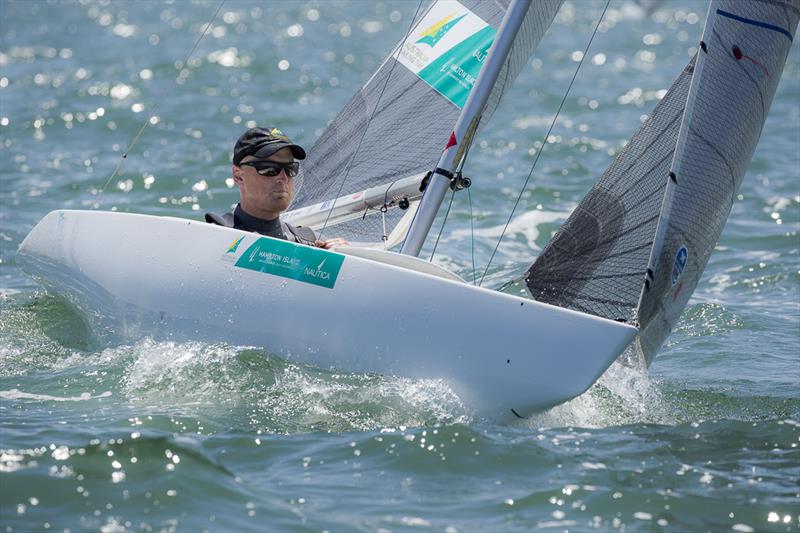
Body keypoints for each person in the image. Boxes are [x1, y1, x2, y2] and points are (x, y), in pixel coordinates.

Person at [205, 126, 346, 249]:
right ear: (239, 176)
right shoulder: (214, 237)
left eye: (290, 169)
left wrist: (340, 259)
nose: (283, 178)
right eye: (269, 169)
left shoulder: (312, 243)